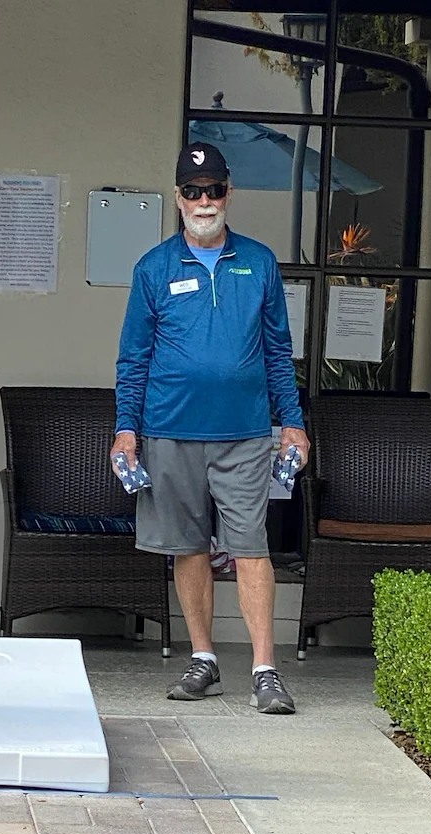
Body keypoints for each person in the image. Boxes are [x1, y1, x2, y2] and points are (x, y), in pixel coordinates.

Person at [112, 142, 309, 714]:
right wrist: (126, 431)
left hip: (244, 434)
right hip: (168, 430)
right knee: (188, 548)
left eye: (214, 190)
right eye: (193, 192)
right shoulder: (153, 268)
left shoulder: (260, 262)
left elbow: (278, 351)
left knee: (251, 548)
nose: (204, 201)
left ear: (229, 194)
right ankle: (204, 659)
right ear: (178, 198)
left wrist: (291, 423)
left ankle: (266, 670)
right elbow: (133, 359)